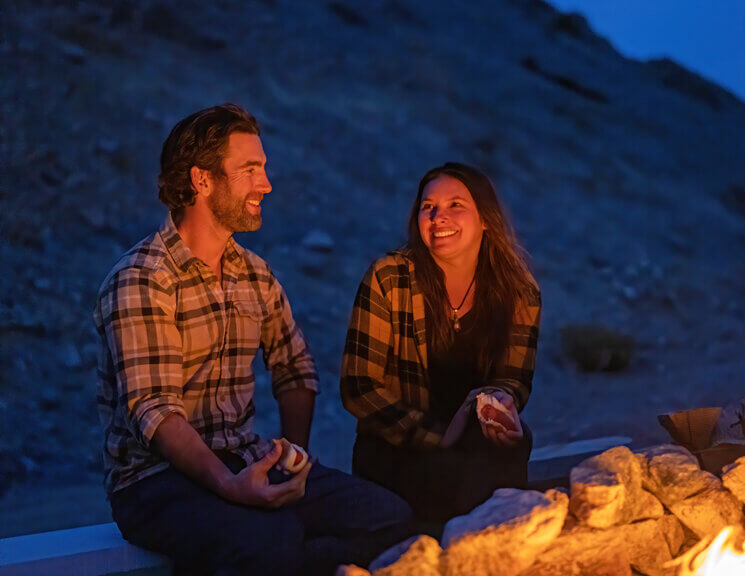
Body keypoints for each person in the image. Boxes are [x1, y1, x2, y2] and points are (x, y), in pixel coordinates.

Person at [93, 104, 413, 576]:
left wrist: (295, 459)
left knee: (389, 518)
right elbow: (154, 411)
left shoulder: (253, 273)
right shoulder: (143, 278)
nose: (265, 184)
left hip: (244, 456)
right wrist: (229, 485)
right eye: (250, 170)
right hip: (153, 482)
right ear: (202, 180)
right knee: (271, 541)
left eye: (262, 169)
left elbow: (295, 366)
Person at [341, 162, 541, 523]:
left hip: (475, 442)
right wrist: (437, 437)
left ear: (485, 219)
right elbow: (359, 386)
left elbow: (516, 378)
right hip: (399, 445)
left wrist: (502, 406)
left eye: (455, 205)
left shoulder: (519, 292)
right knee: (461, 477)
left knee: (516, 442)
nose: (438, 216)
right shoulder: (389, 278)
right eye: (428, 206)